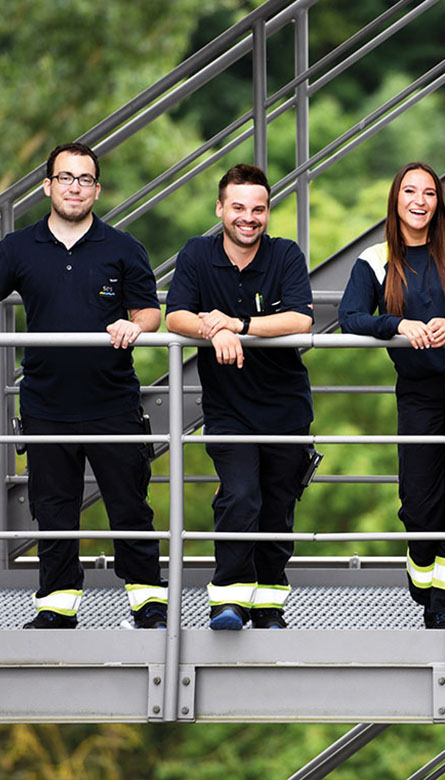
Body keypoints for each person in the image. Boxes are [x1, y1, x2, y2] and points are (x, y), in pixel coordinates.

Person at [0, 142, 167, 630]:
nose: (74, 187)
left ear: (97, 190)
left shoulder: (124, 248)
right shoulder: (18, 248)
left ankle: (148, 603)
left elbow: (149, 310)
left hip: (113, 401)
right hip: (47, 404)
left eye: (84, 179)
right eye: (65, 178)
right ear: (47, 186)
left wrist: (138, 326)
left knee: (130, 504)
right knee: (53, 507)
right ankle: (57, 607)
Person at [339, 162, 445, 629]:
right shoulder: (375, 259)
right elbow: (350, 316)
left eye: (429, 193)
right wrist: (396, 325)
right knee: (418, 501)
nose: (419, 201)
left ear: (439, 202)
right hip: (419, 392)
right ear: (395, 200)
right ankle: (422, 570)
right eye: (410, 191)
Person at [165, 164, 314, 631]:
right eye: (238, 208)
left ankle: (269, 606)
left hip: (286, 407)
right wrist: (211, 328)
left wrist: (236, 325)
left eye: (258, 209)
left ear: (267, 212)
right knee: (240, 497)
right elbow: (175, 318)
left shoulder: (286, 255)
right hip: (228, 408)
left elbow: (300, 320)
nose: (248, 217)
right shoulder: (196, 254)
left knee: (276, 507)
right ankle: (227, 601)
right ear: (220, 209)